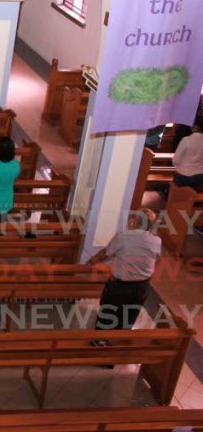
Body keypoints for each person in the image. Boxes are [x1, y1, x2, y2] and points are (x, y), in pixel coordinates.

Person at [88, 209, 162, 338]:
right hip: (142, 287)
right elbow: (155, 257)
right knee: (128, 316)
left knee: (108, 315)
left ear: (134, 221)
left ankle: (99, 342)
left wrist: (92, 261)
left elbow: (105, 254)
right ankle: (119, 342)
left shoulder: (123, 237)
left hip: (119, 286)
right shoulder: (156, 241)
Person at [172, 116, 203, 190]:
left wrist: (178, 166)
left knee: (177, 197)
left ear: (196, 127)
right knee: (191, 197)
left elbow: (175, 160)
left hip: (183, 173)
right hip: (199, 175)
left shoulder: (186, 140)